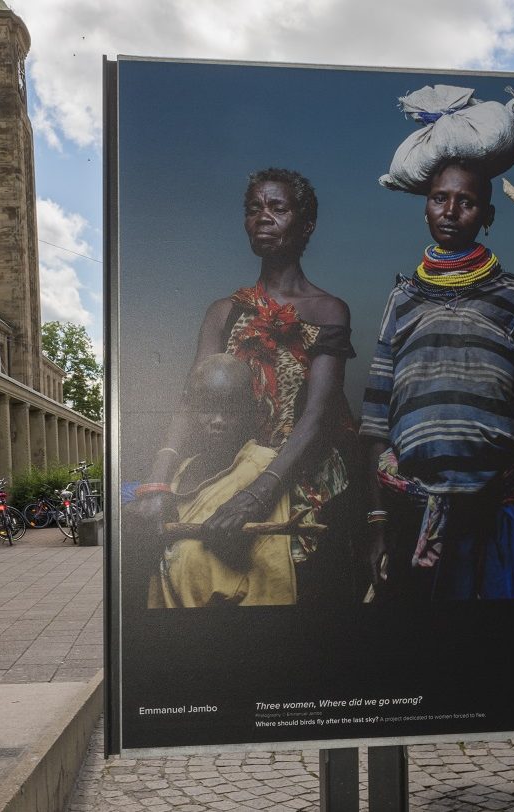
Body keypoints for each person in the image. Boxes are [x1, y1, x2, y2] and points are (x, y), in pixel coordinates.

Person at [132, 168, 357, 606]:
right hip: (229, 470)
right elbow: (190, 401)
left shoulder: (328, 310)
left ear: (306, 223)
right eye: (254, 208)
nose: (263, 217)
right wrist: (157, 484)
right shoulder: (224, 313)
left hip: (296, 474)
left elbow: (317, 415)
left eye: (278, 207)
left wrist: (258, 493)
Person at [361, 160, 514, 601]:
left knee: (494, 650)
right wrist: (378, 522)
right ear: (425, 208)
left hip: (499, 511)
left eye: (467, 202)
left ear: (487, 217)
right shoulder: (402, 298)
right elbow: (376, 422)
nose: (451, 211)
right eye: (440, 199)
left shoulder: (512, 296)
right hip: (413, 509)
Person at [146, 354, 297, 607]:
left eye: (230, 408)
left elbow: (272, 586)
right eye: (207, 407)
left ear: (251, 410)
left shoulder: (262, 467)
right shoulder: (182, 470)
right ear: (190, 408)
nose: (218, 420)